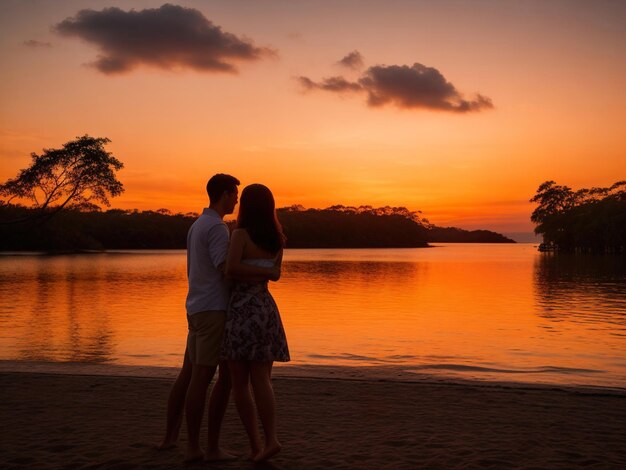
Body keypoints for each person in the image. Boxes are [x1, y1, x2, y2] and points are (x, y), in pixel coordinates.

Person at [158, 174, 277, 462]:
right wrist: (265, 270)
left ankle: (172, 439)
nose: (237, 199)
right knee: (207, 378)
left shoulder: (198, 224)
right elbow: (227, 269)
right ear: (224, 194)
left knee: (190, 374)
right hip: (214, 310)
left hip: (196, 306)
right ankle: (199, 448)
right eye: (234, 194)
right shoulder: (217, 229)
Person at [222, 183, 290, 462]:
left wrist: (247, 272)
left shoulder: (240, 235)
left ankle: (256, 444)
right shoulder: (277, 239)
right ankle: (270, 440)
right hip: (265, 309)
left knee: (240, 383)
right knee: (262, 379)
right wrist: (262, 272)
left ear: (246, 206)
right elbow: (273, 275)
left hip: (242, 310)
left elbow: (230, 269)